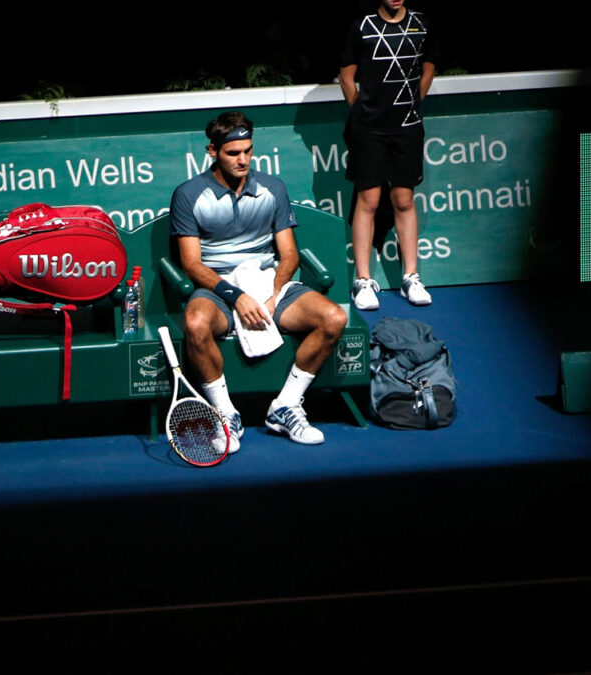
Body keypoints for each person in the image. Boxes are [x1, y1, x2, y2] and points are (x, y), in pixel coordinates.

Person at [170, 112, 347, 447]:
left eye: (248, 151)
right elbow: (192, 264)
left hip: (266, 281)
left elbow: (289, 254)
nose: (243, 160)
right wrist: (236, 296)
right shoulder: (189, 194)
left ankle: (286, 405)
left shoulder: (273, 188)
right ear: (212, 151)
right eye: (233, 153)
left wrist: (272, 292)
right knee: (195, 325)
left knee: (333, 318)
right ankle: (225, 415)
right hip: (218, 288)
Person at [339, 0, 437, 310]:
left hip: (407, 128)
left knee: (404, 200)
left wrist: (411, 105)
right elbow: (346, 76)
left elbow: (429, 67)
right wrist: (365, 115)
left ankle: (411, 276)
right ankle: (363, 281)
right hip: (369, 131)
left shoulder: (422, 23)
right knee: (368, 201)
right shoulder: (363, 26)